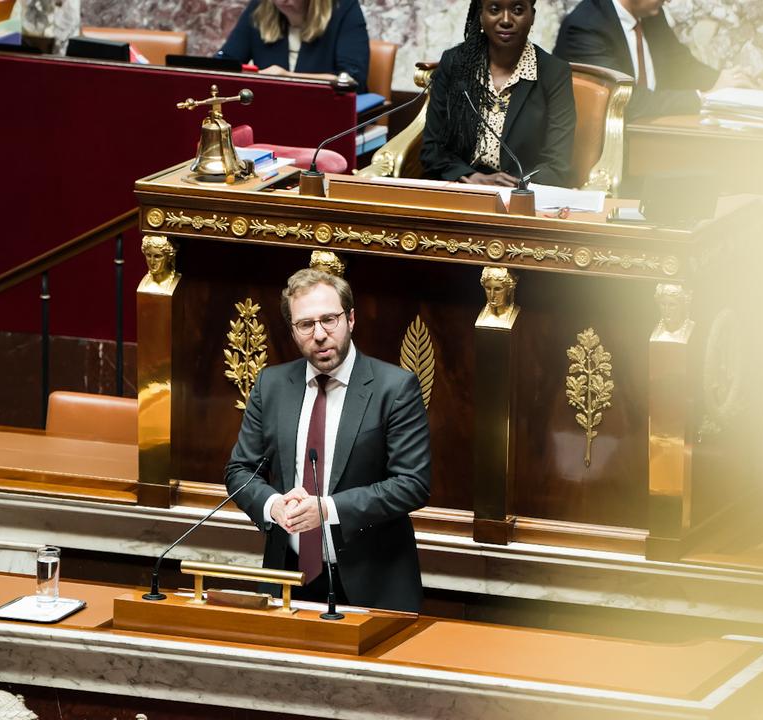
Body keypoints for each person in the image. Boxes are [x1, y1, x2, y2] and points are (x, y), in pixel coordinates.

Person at [223, 268, 432, 613]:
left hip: (371, 584)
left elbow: (413, 484)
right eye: (305, 324)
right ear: (292, 331)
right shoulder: (271, 385)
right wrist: (273, 505)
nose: (319, 334)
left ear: (350, 319)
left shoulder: (394, 389)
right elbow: (240, 470)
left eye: (329, 320)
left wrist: (328, 510)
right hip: (288, 579)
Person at [421, 0, 577, 188]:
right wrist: (471, 178)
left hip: (523, 197)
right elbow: (432, 149)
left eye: (517, 10)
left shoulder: (553, 73)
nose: (505, 20)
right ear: (481, 15)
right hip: (461, 189)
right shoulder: (455, 63)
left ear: (532, 16)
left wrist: (516, 188)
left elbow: (557, 163)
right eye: (495, 10)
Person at [554, 0, 751, 119]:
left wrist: (724, 83)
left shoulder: (652, 16)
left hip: (652, 132)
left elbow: (682, 65)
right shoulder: (584, 28)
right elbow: (622, 100)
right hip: (606, 150)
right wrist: (703, 99)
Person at [217, 0, 370, 89]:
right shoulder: (260, 7)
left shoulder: (343, 7)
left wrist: (287, 77)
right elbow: (226, 61)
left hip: (325, 112)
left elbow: (351, 79)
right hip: (272, 112)